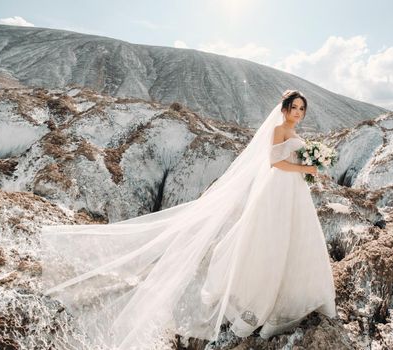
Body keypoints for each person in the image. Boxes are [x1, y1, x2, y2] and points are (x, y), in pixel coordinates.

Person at [40, 90, 337, 349]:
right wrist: (305, 169)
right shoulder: (280, 130)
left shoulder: (295, 132)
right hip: (278, 189)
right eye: (294, 107)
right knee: (273, 238)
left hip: (293, 192)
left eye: (301, 109)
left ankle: (297, 292)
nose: (297, 113)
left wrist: (310, 164)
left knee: (296, 238)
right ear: (284, 109)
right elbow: (274, 162)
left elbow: (292, 161)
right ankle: (264, 300)